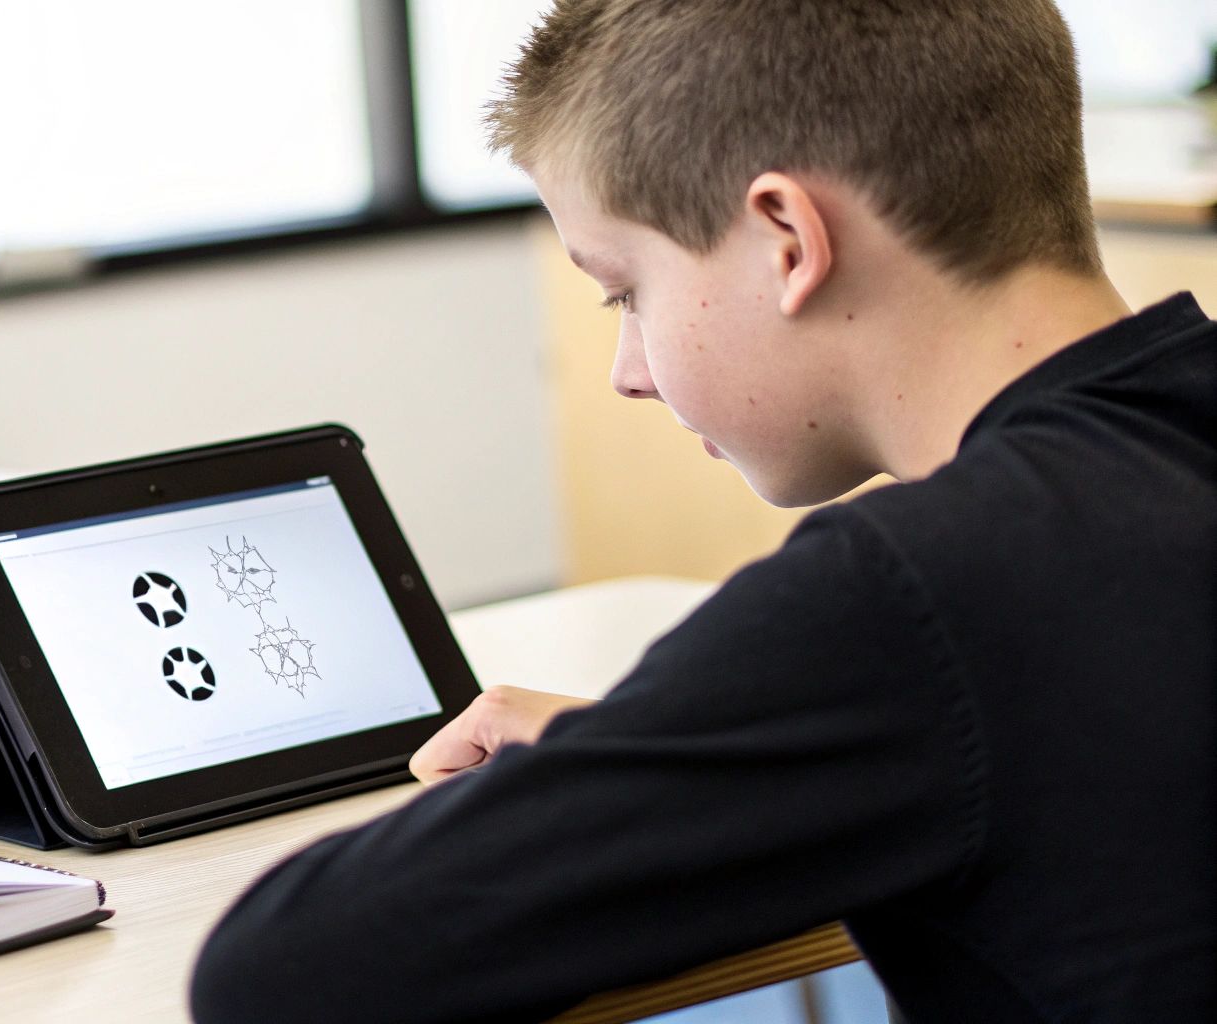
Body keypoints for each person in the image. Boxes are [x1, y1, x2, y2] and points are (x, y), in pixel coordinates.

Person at [189, 1, 1215, 1021]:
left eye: (622, 290)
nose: (625, 372)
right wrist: (697, 761)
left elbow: (276, 971)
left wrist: (610, 777)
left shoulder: (913, 592)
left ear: (784, 238)